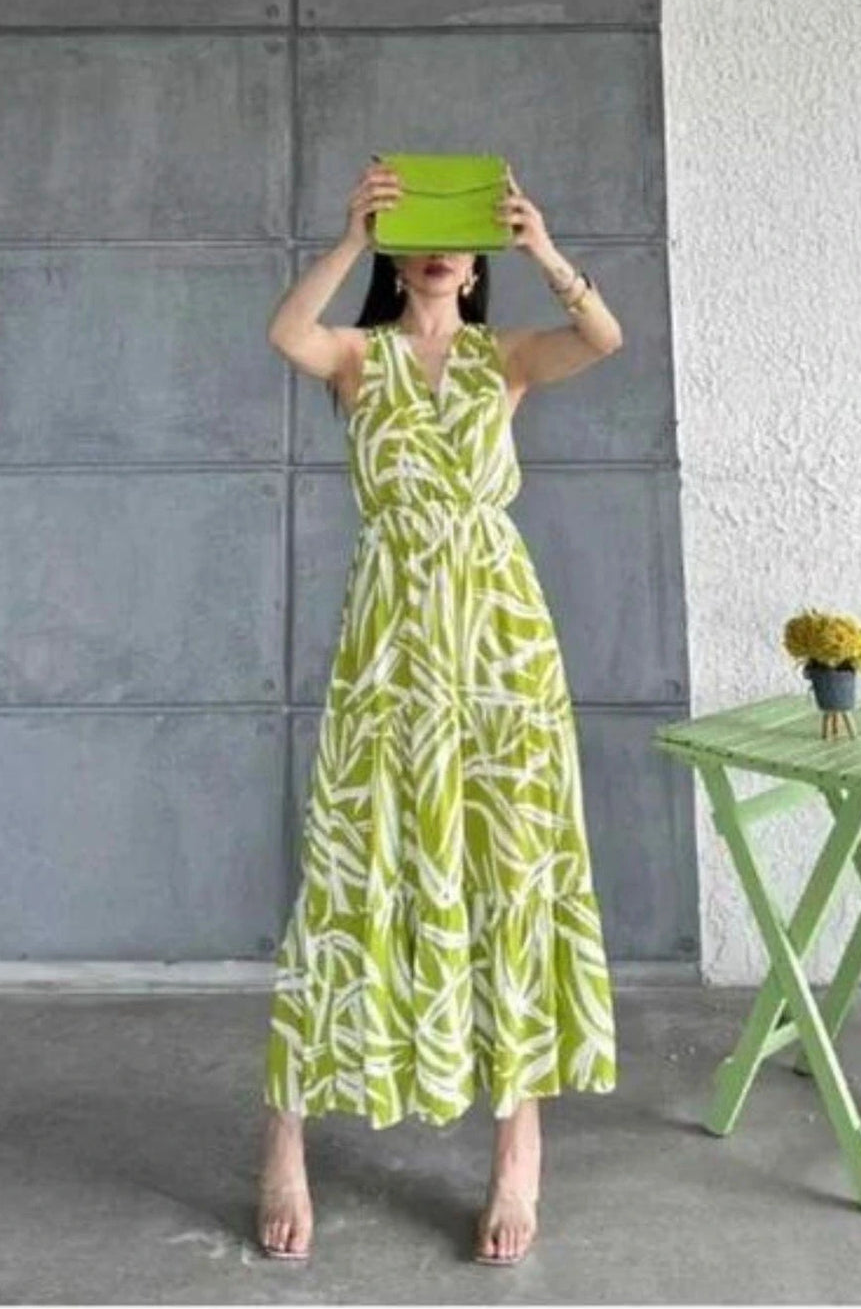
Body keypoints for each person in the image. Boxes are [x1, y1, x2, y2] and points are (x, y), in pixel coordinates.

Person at [257, 157, 623, 1266]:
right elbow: (287, 332)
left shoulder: (503, 359)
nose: (438, 252)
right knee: (355, 872)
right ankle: (282, 1143)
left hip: (502, 645)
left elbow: (601, 339)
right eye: (421, 237)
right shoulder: (354, 359)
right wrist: (349, 240)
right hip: (389, 645)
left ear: (477, 268)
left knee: (509, 869)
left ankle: (518, 1156)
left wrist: (546, 247)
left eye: (460, 240)